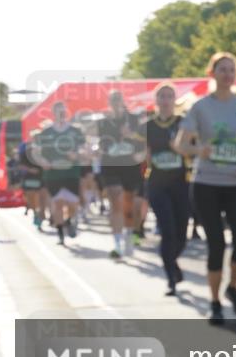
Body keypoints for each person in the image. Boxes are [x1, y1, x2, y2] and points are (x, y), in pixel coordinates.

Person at [175, 52, 236, 325]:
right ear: (212, 73)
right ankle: (215, 301)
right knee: (216, 245)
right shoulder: (201, 107)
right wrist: (197, 148)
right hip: (206, 184)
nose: (227, 74)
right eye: (222, 69)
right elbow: (180, 144)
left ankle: (232, 287)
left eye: (231, 70)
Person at [145, 82, 191, 295]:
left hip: (180, 184)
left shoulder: (183, 123)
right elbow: (142, 155)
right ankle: (170, 277)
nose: (165, 100)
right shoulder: (148, 126)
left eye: (169, 96)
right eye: (161, 96)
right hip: (157, 184)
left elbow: (193, 150)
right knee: (168, 231)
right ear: (156, 100)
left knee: (181, 235)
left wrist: (180, 148)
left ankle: (172, 262)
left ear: (175, 100)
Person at [98, 91, 146, 260]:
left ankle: (129, 235)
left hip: (130, 166)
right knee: (115, 200)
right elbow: (102, 144)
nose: (116, 102)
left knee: (130, 206)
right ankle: (117, 244)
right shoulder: (103, 122)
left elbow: (143, 142)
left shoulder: (134, 120)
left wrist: (130, 135)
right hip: (111, 166)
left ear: (123, 101)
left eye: (118, 99)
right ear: (109, 102)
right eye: (112, 100)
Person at [32, 102, 86, 245]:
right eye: (58, 112)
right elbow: (36, 152)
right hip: (53, 174)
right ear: (53, 113)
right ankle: (60, 234)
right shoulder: (45, 132)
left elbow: (85, 149)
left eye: (63, 112)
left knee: (73, 204)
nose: (61, 114)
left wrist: (77, 154)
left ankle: (69, 221)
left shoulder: (76, 131)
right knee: (57, 203)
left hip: (71, 172)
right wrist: (42, 161)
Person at [17, 135, 46, 229]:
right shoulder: (25, 152)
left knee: (41, 197)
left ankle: (41, 214)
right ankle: (35, 212)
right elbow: (20, 165)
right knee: (30, 197)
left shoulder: (44, 151)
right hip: (29, 178)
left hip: (42, 177)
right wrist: (30, 170)